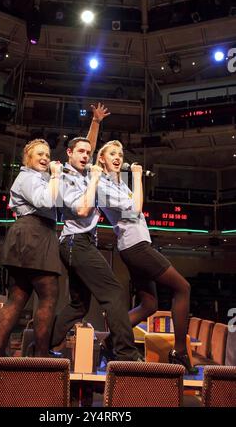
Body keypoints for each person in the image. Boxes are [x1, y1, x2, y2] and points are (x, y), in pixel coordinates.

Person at [96, 140, 198, 374]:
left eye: (120, 154)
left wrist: (127, 177)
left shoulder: (115, 182)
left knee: (149, 304)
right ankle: (180, 352)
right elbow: (135, 210)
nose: (118, 157)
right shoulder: (101, 185)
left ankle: (110, 342)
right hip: (136, 247)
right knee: (183, 287)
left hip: (136, 244)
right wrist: (138, 176)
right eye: (112, 153)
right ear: (101, 158)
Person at [50, 107, 143, 362]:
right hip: (74, 243)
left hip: (83, 243)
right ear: (68, 153)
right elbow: (82, 209)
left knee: (79, 305)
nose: (85, 155)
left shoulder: (84, 172)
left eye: (88, 153)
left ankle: (41, 343)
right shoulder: (65, 178)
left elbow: (89, 144)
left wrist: (95, 121)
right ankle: (124, 352)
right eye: (79, 152)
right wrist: (93, 180)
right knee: (113, 292)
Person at [0, 139, 63, 363]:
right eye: (40, 154)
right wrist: (57, 176)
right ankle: (40, 354)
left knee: (17, 299)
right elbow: (45, 201)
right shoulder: (29, 177)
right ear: (27, 158)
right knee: (49, 297)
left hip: (30, 234)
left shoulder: (40, 178)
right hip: (35, 232)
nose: (45, 158)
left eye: (47, 155)